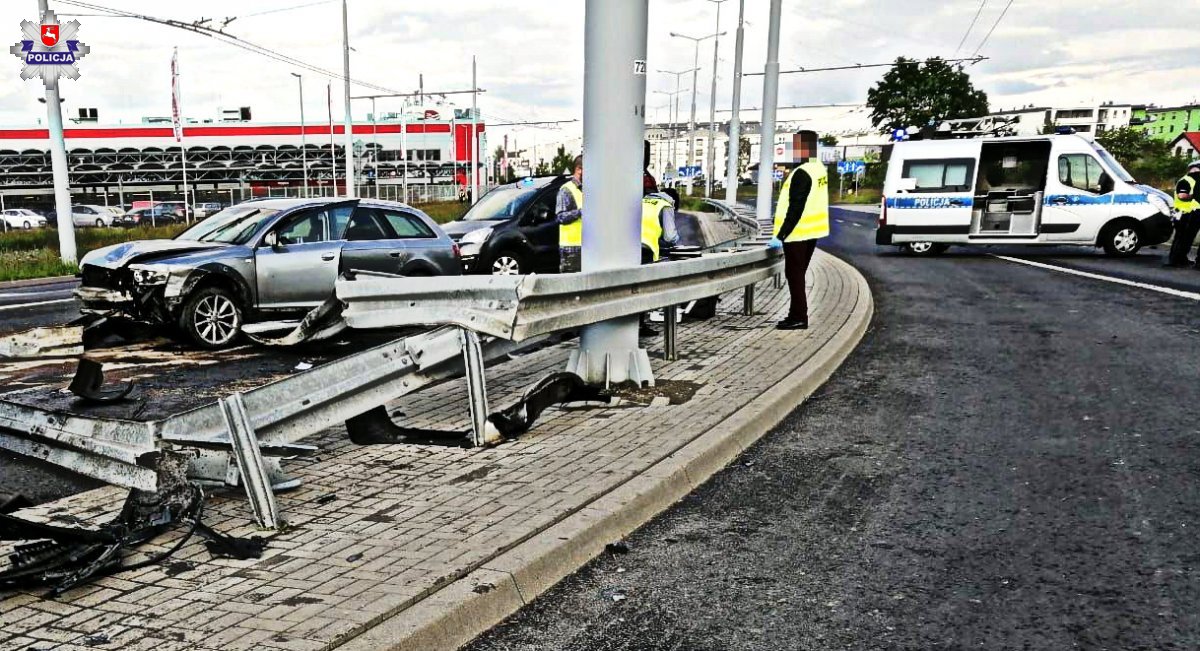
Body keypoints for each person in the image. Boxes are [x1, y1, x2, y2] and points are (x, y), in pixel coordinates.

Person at [771, 158, 829, 330]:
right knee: (798, 275)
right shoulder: (818, 168)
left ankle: (798, 317)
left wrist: (781, 234)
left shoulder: (801, 173)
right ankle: (795, 314)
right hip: (812, 231)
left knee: (794, 276)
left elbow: (796, 207)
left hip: (797, 233)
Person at [1166, 160, 1200, 268]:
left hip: (1193, 214)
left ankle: (1181, 259)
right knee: (1182, 238)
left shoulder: (1194, 181)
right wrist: (1194, 196)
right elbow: (1182, 195)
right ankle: (1175, 260)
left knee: (1187, 238)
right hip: (1184, 214)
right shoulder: (1186, 180)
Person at [556, 155, 584, 273]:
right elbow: (560, 217)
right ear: (578, 169)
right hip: (571, 249)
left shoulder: (587, 189)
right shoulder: (566, 190)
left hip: (588, 247)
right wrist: (580, 212)